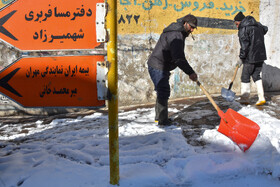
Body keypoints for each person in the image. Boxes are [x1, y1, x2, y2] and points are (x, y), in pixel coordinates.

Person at [147, 14, 198, 126]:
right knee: (163, 91)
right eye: (191, 26)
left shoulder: (177, 32)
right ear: (185, 23)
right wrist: (190, 72)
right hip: (158, 65)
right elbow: (178, 58)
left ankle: (159, 118)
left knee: (162, 91)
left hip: (160, 65)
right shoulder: (176, 35)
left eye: (194, 27)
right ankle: (162, 120)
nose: (192, 29)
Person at [234, 11, 268, 106]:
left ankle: (244, 98)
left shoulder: (243, 28)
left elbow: (244, 46)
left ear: (240, 21)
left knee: (245, 77)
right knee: (256, 75)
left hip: (250, 57)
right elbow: (265, 29)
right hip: (260, 56)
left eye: (237, 24)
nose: (237, 26)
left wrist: (241, 58)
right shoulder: (258, 26)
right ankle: (261, 97)